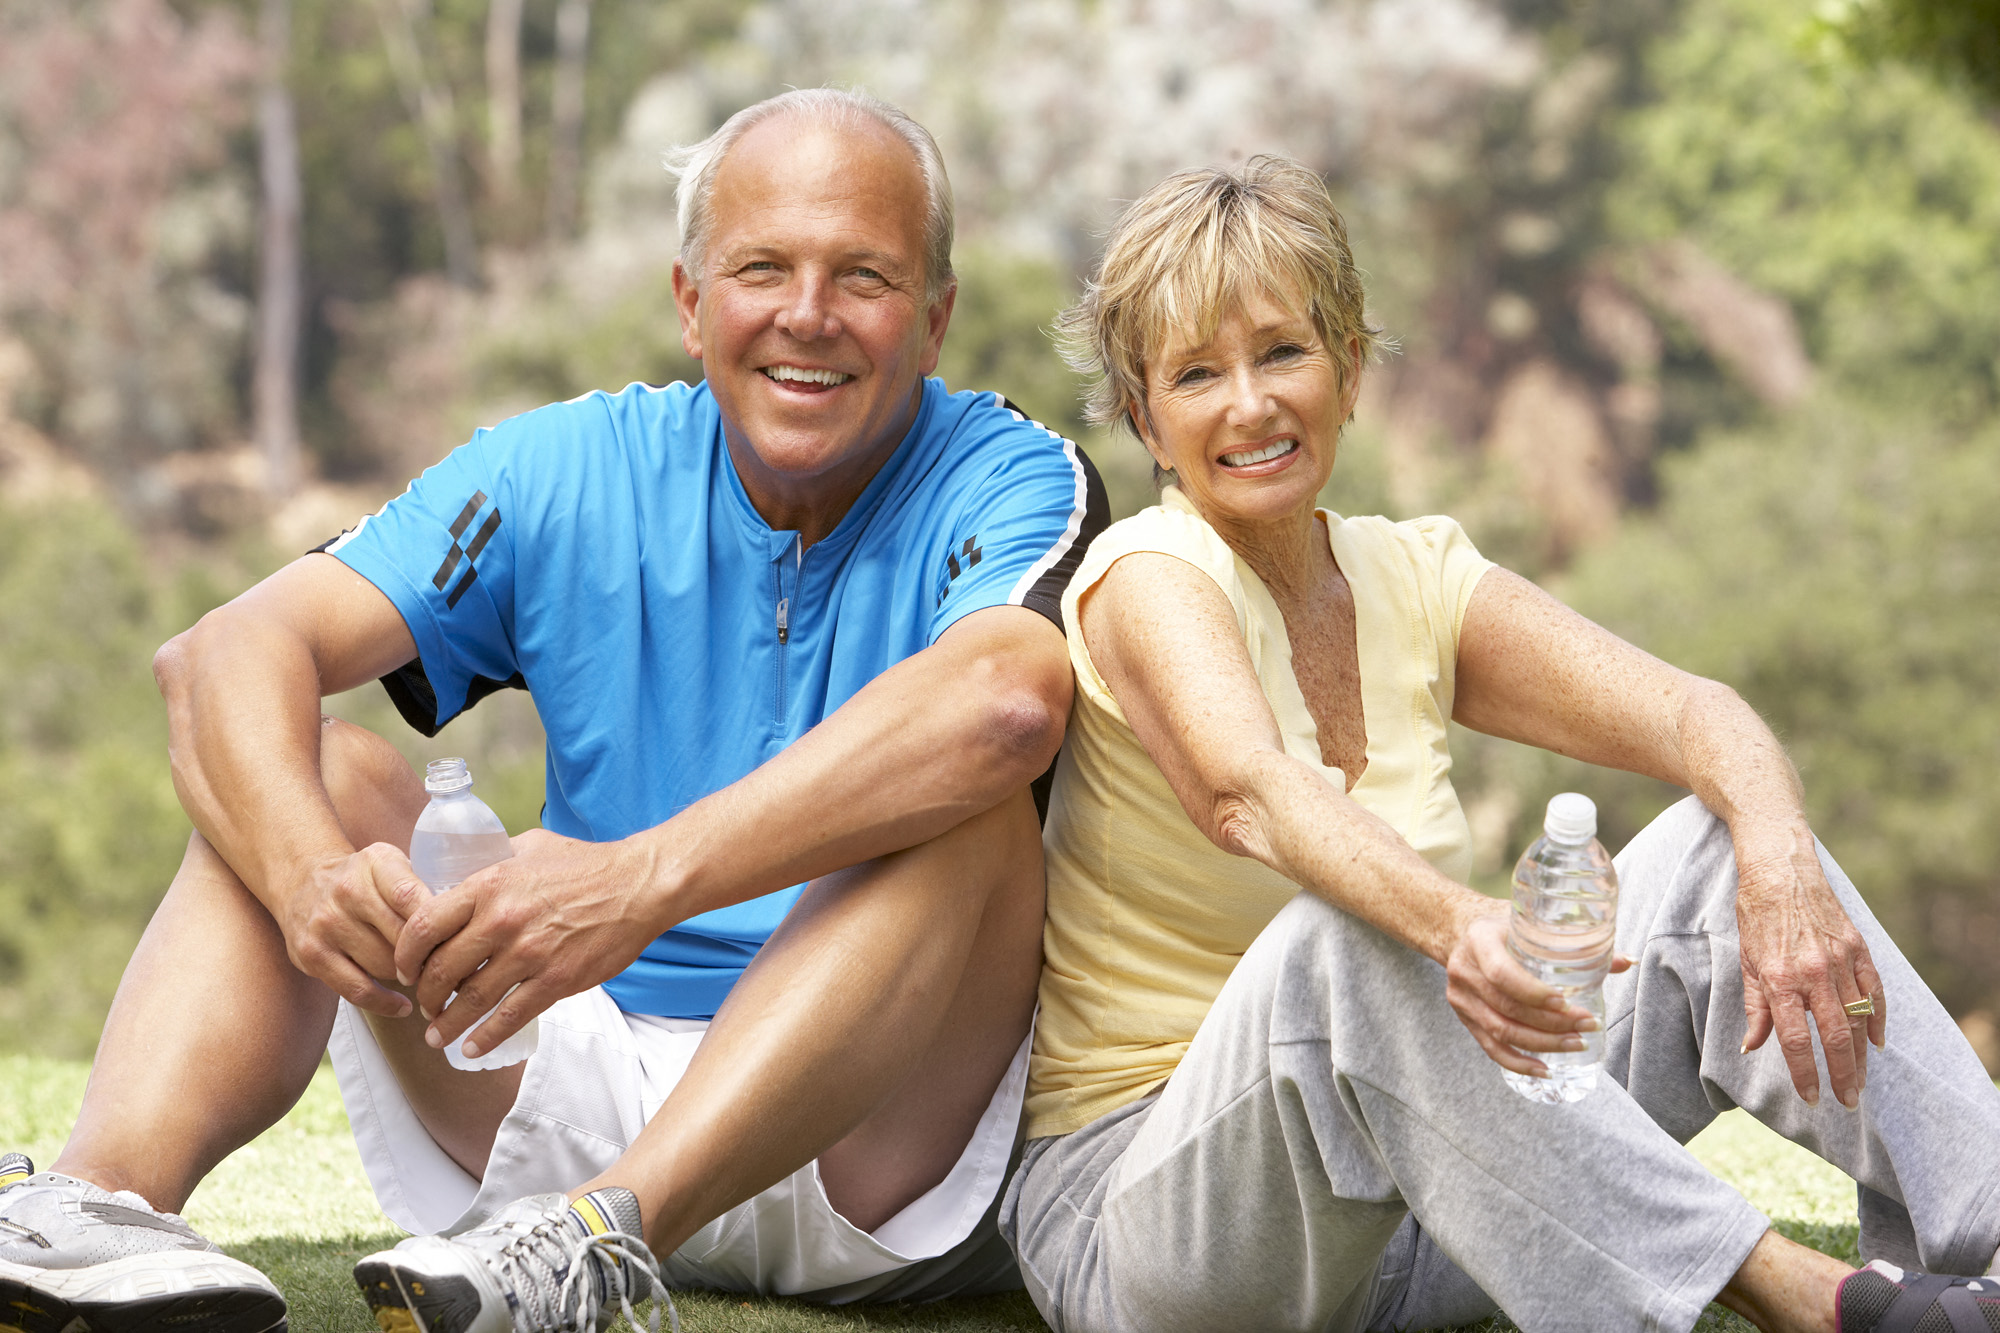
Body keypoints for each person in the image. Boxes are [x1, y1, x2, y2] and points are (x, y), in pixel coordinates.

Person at [0, 88, 1109, 1333]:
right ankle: (93, 1208)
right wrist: (308, 873)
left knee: (966, 808)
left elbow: (1006, 705)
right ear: (690, 304)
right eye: (760, 268)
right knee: (296, 759)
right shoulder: (565, 467)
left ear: (934, 320)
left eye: (864, 275)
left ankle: (607, 1232)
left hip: (878, 1133)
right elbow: (217, 656)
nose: (807, 314)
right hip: (552, 1092)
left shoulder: (1011, 470)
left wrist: (635, 882)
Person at [998, 155, 2000, 1333]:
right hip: (1165, 1229)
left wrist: (1777, 851)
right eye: (1195, 374)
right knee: (1349, 938)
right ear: (1144, 420)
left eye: (1282, 352)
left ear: (1350, 367)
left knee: (1713, 853)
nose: (1250, 404)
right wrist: (1462, 926)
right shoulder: (1145, 579)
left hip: (1433, 1208)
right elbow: (1248, 796)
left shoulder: (1411, 573)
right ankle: (1815, 1301)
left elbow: (1695, 714)